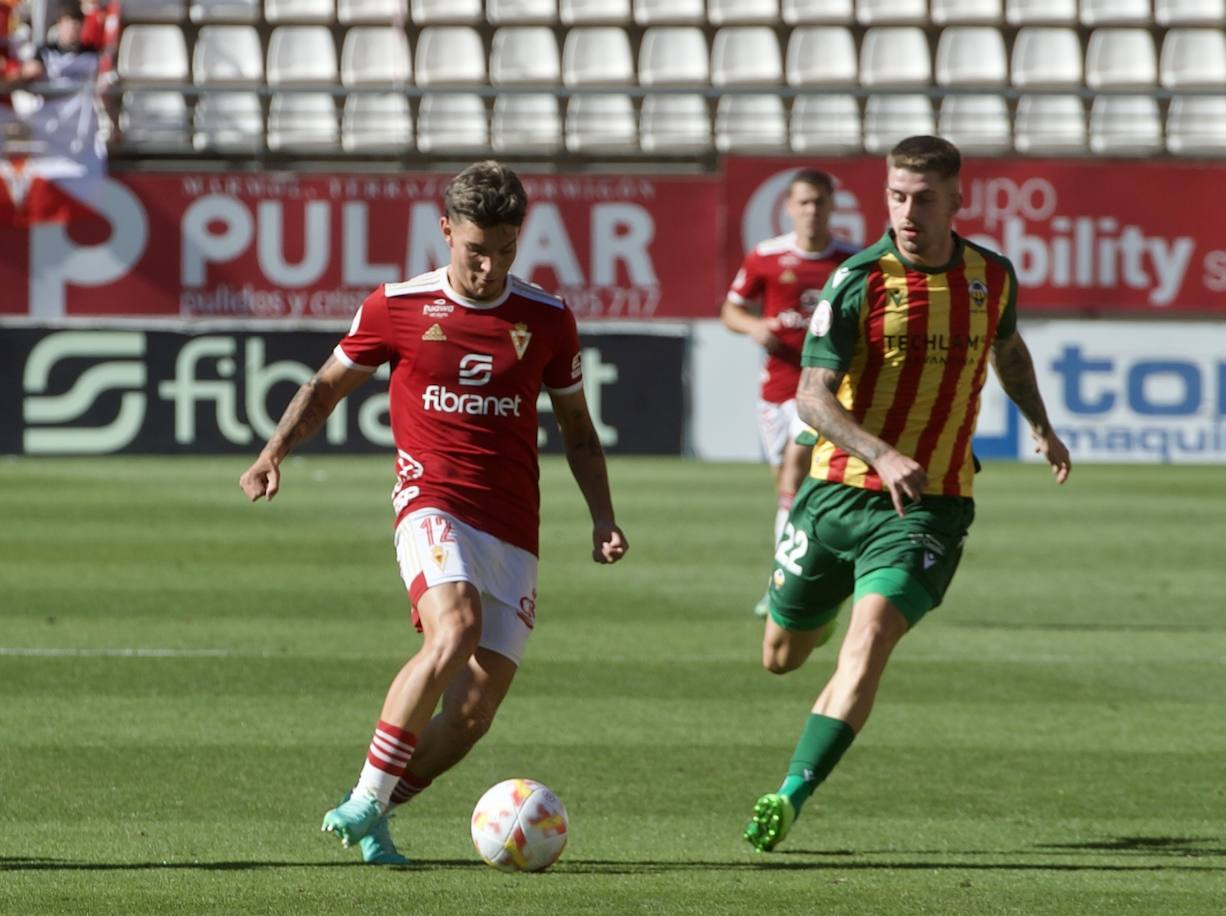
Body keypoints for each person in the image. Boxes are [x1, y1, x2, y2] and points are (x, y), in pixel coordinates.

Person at [239, 161, 629, 865]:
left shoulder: (546, 318)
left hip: (513, 525)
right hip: (432, 502)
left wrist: (603, 516)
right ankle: (362, 798)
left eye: (505, 250)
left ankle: (375, 812)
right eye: (476, 249)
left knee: (474, 714)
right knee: (455, 630)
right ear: (446, 231)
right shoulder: (396, 306)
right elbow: (326, 388)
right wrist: (273, 453)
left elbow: (577, 428)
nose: (489, 266)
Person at [743, 135, 1072, 852]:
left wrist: (1041, 425)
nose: (907, 211)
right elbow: (811, 396)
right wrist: (880, 451)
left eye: (923, 198)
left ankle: (790, 795)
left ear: (957, 201)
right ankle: (823, 600)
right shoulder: (858, 280)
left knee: (869, 644)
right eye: (896, 196)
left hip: (931, 504)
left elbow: (1009, 352)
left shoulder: (992, 277)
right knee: (782, 655)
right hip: (835, 497)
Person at [720, 169, 860, 617]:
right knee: (787, 484)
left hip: (822, 388)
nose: (812, 211)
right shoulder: (766, 257)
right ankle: (796, 569)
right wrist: (754, 326)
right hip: (776, 389)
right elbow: (731, 310)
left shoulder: (852, 262)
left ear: (832, 205)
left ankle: (782, 580)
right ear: (789, 207)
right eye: (804, 202)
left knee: (797, 470)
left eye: (820, 201)